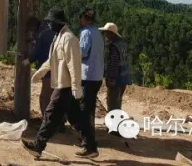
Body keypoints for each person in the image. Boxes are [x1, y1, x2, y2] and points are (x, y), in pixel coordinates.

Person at [23, 8, 98, 159]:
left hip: (66, 86)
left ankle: (38, 146)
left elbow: (74, 65)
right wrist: (40, 73)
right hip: (62, 84)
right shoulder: (58, 37)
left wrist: (76, 86)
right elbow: (51, 60)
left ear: (58, 23)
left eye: (50, 22)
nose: (48, 24)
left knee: (50, 114)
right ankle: (91, 147)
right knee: (76, 118)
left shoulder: (69, 39)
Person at [77, 8, 104, 142]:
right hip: (97, 75)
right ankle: (90, 135)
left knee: (84, 109)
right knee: (90, 107)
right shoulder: (98, 33)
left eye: (81, 18)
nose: (80, 20)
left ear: (85, 19)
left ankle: (87, 139)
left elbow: (83, 52)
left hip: (88, 75)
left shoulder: (86, 33)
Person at [100, 22, 133, 111]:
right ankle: (117, 117)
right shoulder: (122, 45)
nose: (106, 35)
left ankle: (113, 119)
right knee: (118, 102)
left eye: (107, 33)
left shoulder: (114, 47)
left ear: (112, 34)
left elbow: (114, 64)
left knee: (112, 104)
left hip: (116, 80)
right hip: (124, 79)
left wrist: (111, 79)